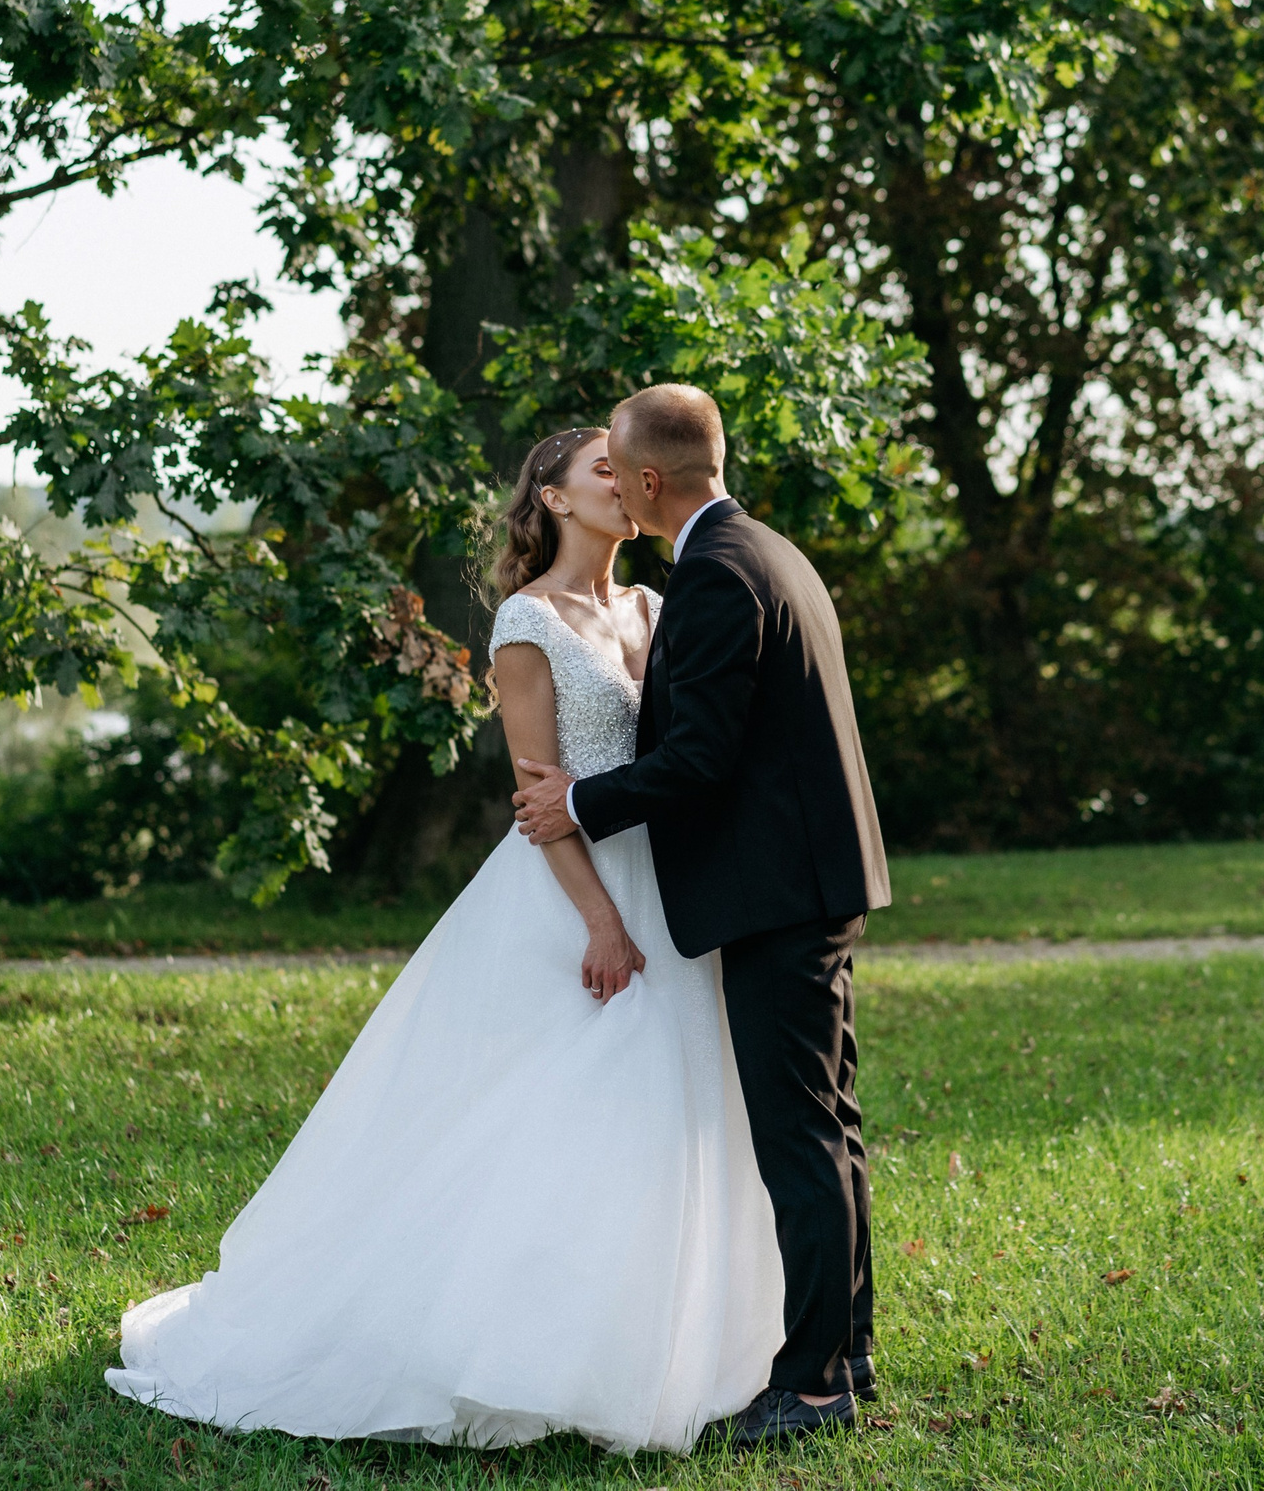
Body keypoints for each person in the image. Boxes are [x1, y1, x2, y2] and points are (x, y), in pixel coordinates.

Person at [103, 425, 783, 1454]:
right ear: (552, 498)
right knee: (560, 1111)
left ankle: (665, 1343)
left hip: (671, 889)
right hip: (574, 895)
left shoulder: (654, 605)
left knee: (667, 1109)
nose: (623, 480)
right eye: (600, 468)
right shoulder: (526, 621)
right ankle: (513, 1350)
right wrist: (600, 919)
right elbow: (536, 795)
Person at [513, 383, 892, 1447]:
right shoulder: (761, 548)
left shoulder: (718, 574)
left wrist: (577, 798)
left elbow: (700, 759)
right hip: (805, 879)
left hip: (779, 891)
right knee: (827, 1126)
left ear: (643, 481)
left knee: (800, 1135)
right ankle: (845, 1348)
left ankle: (815, 1379)